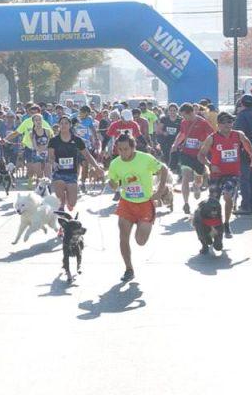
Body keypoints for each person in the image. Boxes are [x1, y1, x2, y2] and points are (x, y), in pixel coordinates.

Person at [107, 133, 169, 282]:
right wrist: (113, 184)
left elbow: (164, 169)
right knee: (123, 236)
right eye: (120, 149)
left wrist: (160, 191)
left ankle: (142, 226)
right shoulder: (115, 163)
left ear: (133, 147)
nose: (123, 153)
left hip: (145, 204)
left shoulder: (145, 159)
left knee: (140, 241)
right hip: (126, 203)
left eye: (126, 149)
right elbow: (113, 182)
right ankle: (129, 269)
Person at [199, 112, 252, 237]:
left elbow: (247, 144)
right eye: (223, 122)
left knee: (227, 196)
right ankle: (213, 225)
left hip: (232, 174)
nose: (227, 125)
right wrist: (210, 165)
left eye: (229, 122)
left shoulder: (238, 135)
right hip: (216, 175)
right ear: (218, 124)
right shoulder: (212, 138)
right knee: (214, 202)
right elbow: (200, 155)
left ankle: (226, 223)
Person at [50, 116, 104, 213]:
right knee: (60, 205)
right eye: (61, 123)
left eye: (66, 123)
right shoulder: (54, 140)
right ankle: (61, 218)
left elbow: (87, 155)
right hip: (58, 173)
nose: (63, 125)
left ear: (70, 125)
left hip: (72, 174)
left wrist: (96, 167)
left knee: (72, 204)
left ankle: (67, 200)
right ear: (59, 125)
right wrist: (53, 162)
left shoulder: (77, 140)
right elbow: (50, 156)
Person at [171, 103, 213, 215]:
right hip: (186, 153)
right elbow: (182, 133)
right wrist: (175, 144)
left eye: (184, 115)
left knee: (198, 179)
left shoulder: (203, 122)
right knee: (185, 176)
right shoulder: (184, 122)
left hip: (199, 155)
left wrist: (203, 143)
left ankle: (196, 186)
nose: (183, 118)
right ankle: (185, 203)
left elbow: (212, 136)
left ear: (191, 113)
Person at [232, 94, 252, 215]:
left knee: (244, 178)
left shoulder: (241, 116)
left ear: (242, 104)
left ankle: (245, 205)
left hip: (245, 150)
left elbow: (238, 134)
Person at [156, 103, 181, 172]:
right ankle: (167, 170)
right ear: (168, 111)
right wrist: (164, 133)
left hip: (176, 141)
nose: (172, 112)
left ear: (177, 111)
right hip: (166, 141)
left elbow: (183, 131)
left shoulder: (180, 120)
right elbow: (158, 130)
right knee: (166, 155)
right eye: (171, 110)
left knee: (175, 156)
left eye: (174, 110)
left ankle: (175, 170)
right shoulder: (164, 119)